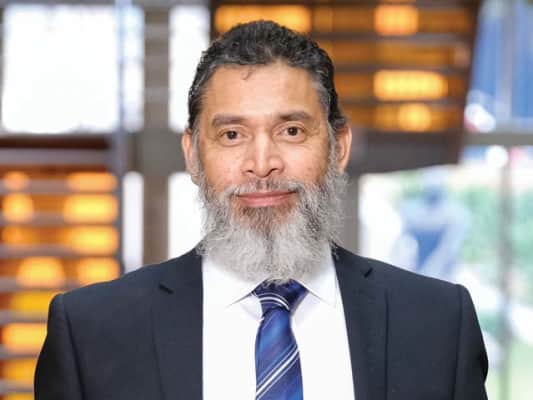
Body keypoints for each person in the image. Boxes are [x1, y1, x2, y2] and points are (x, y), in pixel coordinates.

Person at [35, 20, 488, 400]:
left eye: (291, 131)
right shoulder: (91, 333)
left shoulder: (439, 324)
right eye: (232, 135)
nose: (262, 163)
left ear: (339, 148)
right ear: (192, 155)